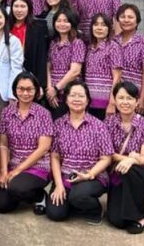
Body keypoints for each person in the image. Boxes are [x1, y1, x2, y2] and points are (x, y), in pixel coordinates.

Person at [46, 80, 114, 224]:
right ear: (66, 99)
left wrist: (89, 174)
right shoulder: (58, 125)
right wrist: (58, 185)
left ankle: (95, 210)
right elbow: (55, 157)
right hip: (66, 176)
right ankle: (74, 202)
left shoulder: (99, 126)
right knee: (56, 214)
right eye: (73, 95)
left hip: (92, 176)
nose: (77, 99)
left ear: (88, 100)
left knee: (78, 196)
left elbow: (106, 158)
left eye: (81, 96)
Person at [0, 72, 54, 215]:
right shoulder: (7, 112)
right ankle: (21, 192)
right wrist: (4, 171)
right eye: (21, 89)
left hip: (37, 167)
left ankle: (40, 196)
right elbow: (3, 145)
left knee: (17, 188)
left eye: (29, 89)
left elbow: (43, 148)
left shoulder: (43, 114)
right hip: (13, 165)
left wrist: (17, 171)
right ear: (15, 90)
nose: (25, 93)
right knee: (2, 205)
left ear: (36, 91)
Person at [105, 81, 144, 234]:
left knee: (130, 170)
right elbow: (106, 153)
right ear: (115, 100)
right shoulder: (108, 123)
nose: (125, 102)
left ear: (136, 101)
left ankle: (140, 216)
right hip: (118, 173)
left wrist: (132, 160)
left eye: (129, 98)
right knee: (116, 220)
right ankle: (126, 213)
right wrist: (127, 158)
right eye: (121, 98)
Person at [45, 9, 85, 118]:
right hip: (52, 95)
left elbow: (75, 71)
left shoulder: (77, 43)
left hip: (68, 93)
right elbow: (48, 67)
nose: (62, 24)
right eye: (58, 21)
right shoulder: (53, 42)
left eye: (66, 21)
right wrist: (49, 89)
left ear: (72, 23)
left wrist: (56, 88)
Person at [84, 13, 123, 120]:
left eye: (103, 25)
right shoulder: (90, 48)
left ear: (109, 28)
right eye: (96, 24)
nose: (99, 28)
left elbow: (117, 77)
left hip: (106, 104)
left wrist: (112, 102)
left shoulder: (113, 47)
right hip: (89, 103)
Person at [115, 4, 144, 114]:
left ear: (137, 21)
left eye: (130, 17)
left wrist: (143, 98)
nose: (126, 20)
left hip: (134, 97)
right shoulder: (113, 41)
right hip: (116, 96)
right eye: (123, 17)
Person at [8, 0, 49, 87]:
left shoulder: (37, 28)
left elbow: (41, 58)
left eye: (23, 6)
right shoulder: (6, 26)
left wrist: (40, 84)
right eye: (16, 6)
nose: (19, 10)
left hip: (30, 75)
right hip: (8, 74)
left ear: (29, 8)